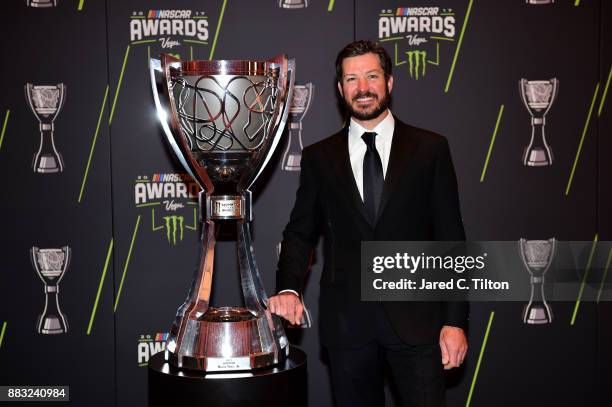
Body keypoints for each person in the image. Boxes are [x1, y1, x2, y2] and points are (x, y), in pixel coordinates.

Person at [268, 40, 468, 407]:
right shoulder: (318, 157)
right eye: (352, 79)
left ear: (389, 82)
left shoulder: (431, 149)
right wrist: (288, 289)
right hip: (348, 327)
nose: (363, 88)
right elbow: (300, 232)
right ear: (340, 89)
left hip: (419, 324)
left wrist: (455, 321)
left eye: (372, 76)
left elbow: (451, 240)